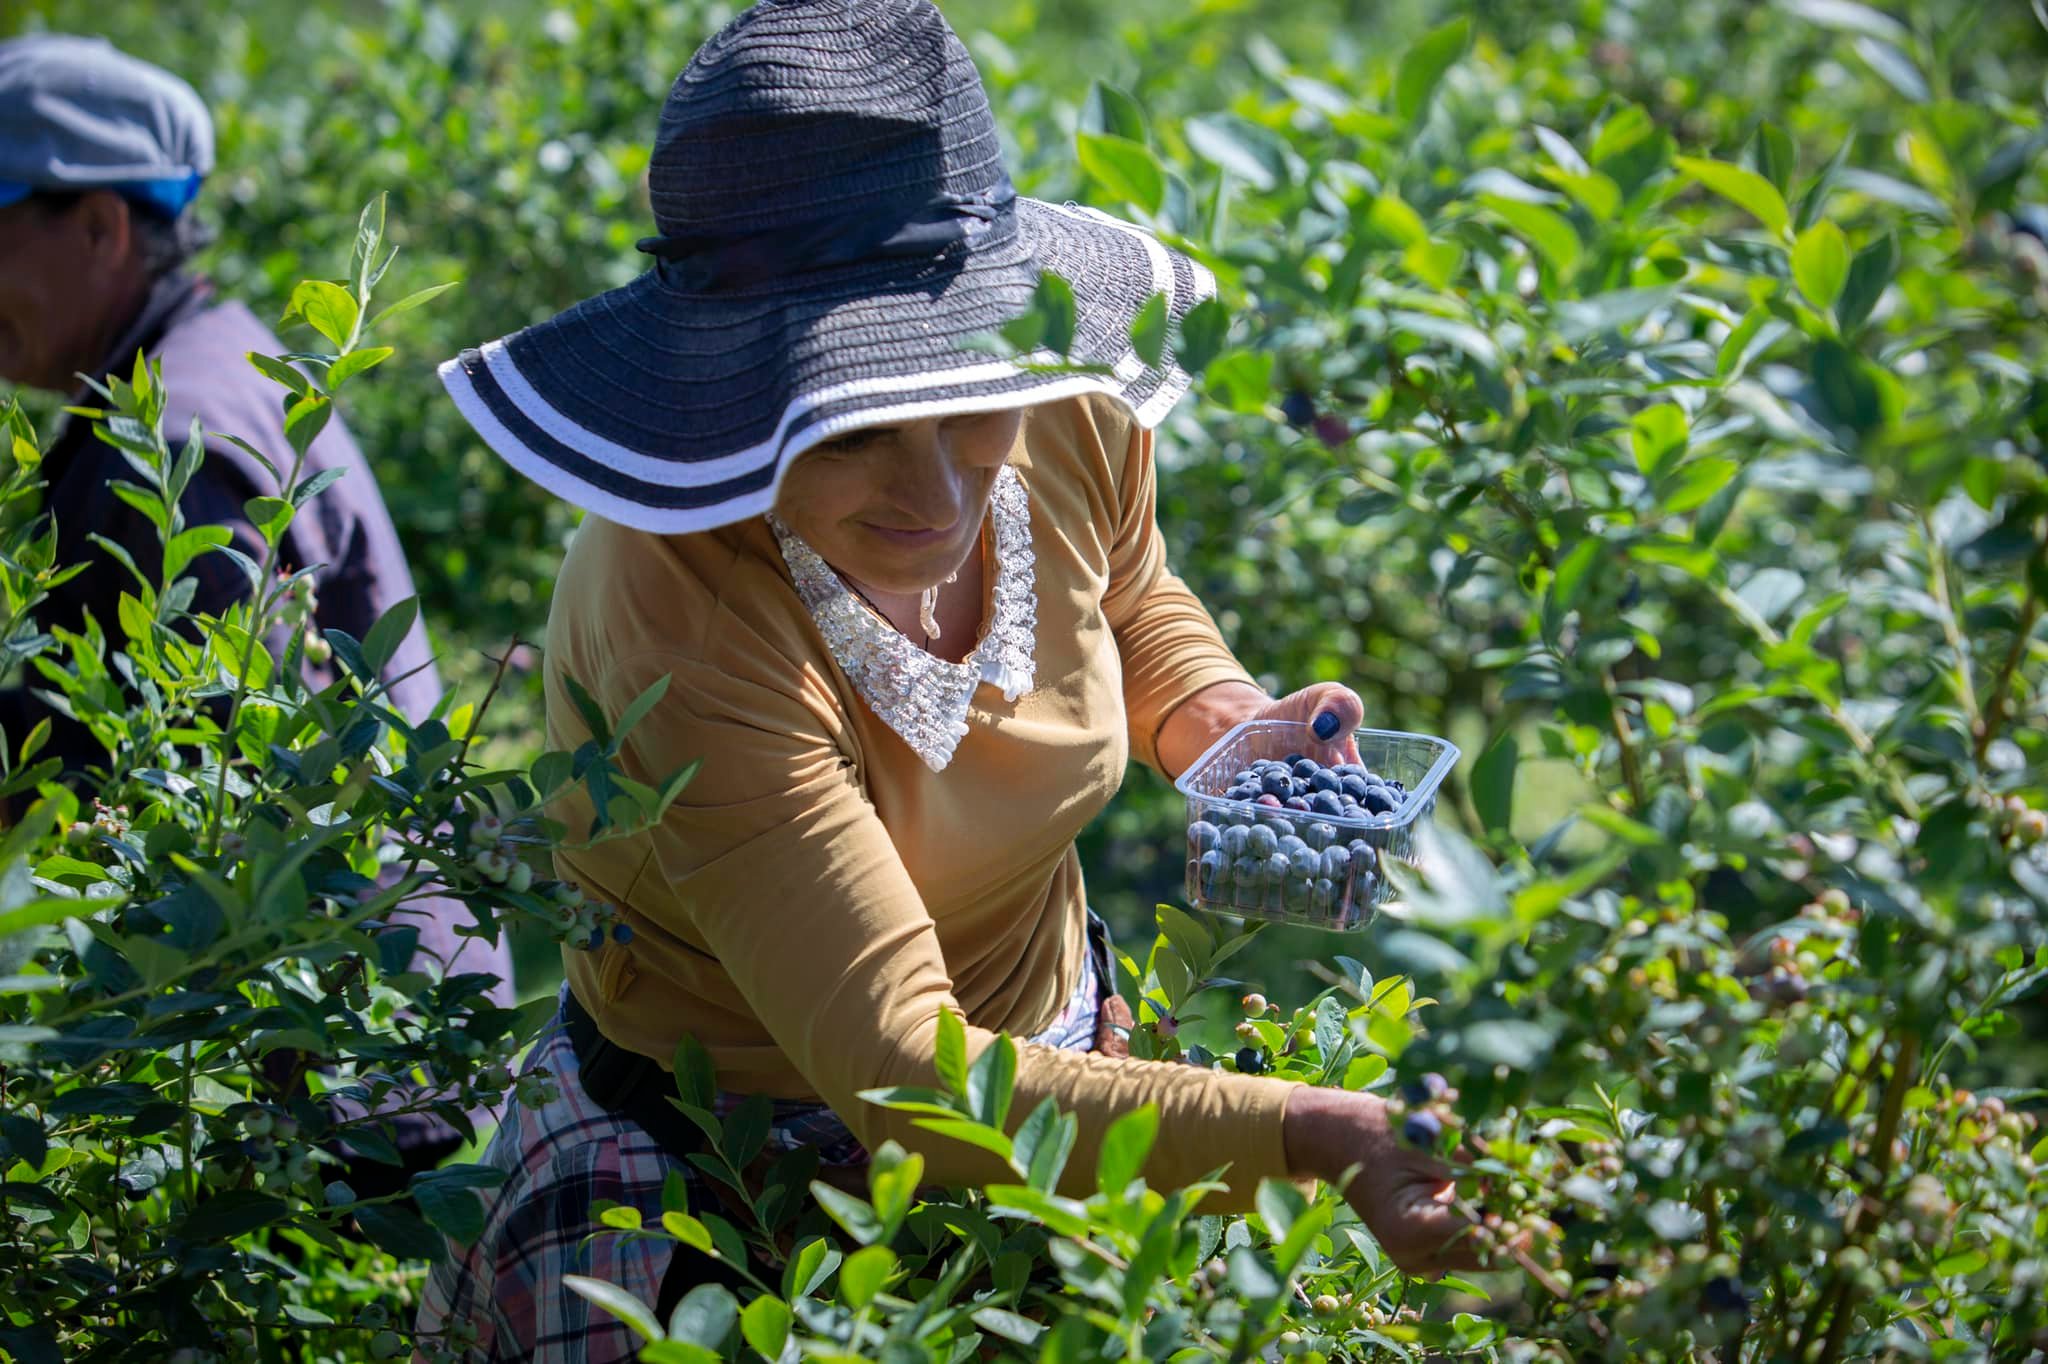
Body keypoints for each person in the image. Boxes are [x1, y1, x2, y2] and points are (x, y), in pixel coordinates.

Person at [417, 2, 1474, 1359]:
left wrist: (1208, 715)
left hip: (1052, 1065)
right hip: (732, 1172)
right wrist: (1311, 1131)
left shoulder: (1062, 398)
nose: (936, 493)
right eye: (852, 431)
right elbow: (905, 1071)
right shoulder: (682, 611)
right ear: (734, 395)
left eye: (969, 398)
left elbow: (1129, 588)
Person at [0, 34, 512, 1170]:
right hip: (364, 1049)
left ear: (101, 226)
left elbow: (215, 787)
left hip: (338, 1090)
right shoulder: (210, 362)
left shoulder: (168, 448)